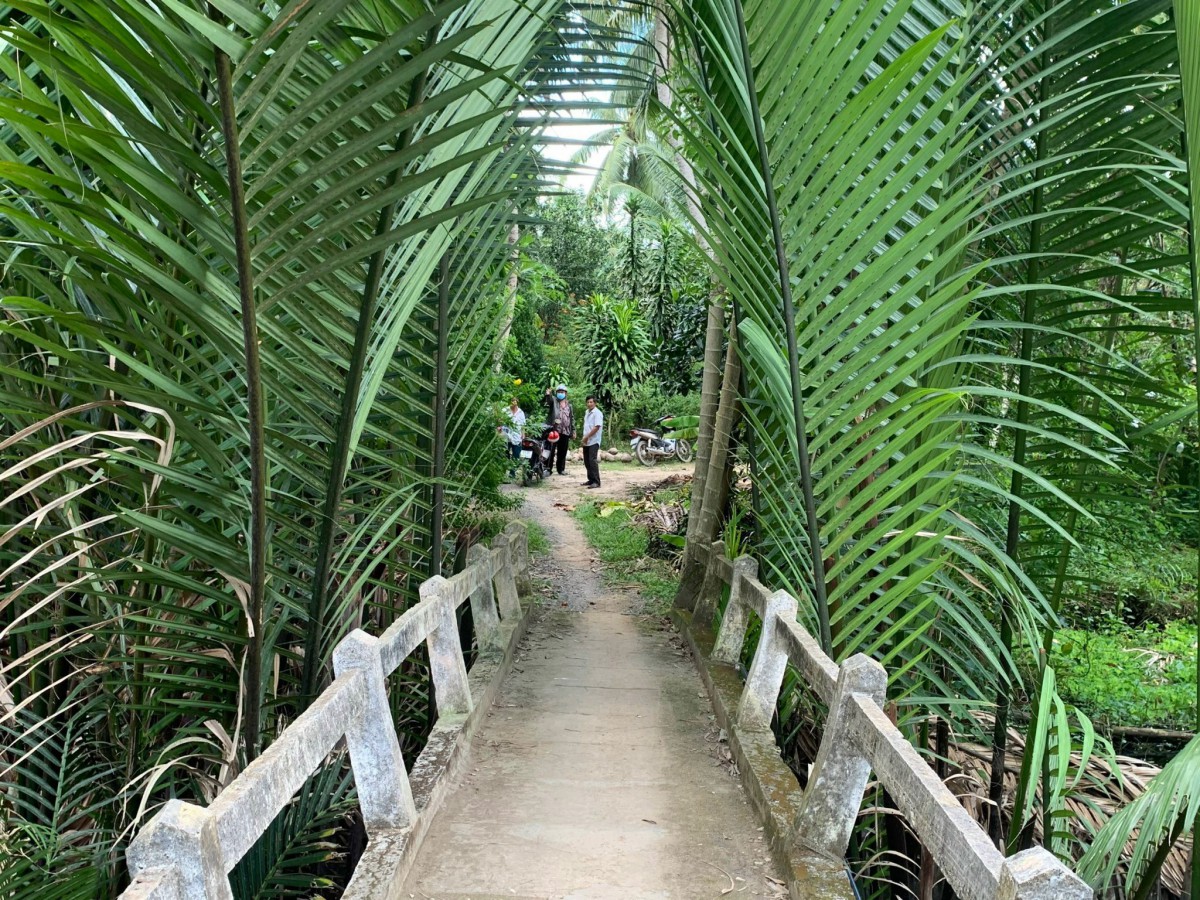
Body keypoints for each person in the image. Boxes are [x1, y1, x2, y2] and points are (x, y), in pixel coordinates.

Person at [580, 395, 603, 489]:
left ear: (595, 403)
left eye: (591, 402)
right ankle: (591, 479)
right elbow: (587, 426)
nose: (589, 404)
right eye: (588, 402)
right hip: (586, 440)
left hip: (594, 440)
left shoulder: (597, 413)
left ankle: (596, 482)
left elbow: (597, 427)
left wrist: (587, 437)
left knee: (592, 460)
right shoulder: (587, 412)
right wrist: (584, 437)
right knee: (586, 461)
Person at [499, 397, 525, 477]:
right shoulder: (505, 410)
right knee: (504, 455)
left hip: (516, 436)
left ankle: (512, 473)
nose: (514, 402)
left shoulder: (521, 412)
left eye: (515, 401)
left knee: (516, 454)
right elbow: (499, 421)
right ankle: (502, 473)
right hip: (506, 435)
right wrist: (499, 427)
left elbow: (523, 424)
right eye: (512, 401)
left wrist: (523, 434)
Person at [550, 383, 573, 475]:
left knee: (562, 451)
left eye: (562, 392)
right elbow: (548, 400)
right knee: (551, 450)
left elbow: (571, 418)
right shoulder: (554, 402)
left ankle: (561, 469)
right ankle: (548, 469)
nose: (560, 393)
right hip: (554, 431)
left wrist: (573, 430)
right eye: (559, 392)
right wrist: (548, 395)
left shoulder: (569, 405)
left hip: (565, 431)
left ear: (565, 393)